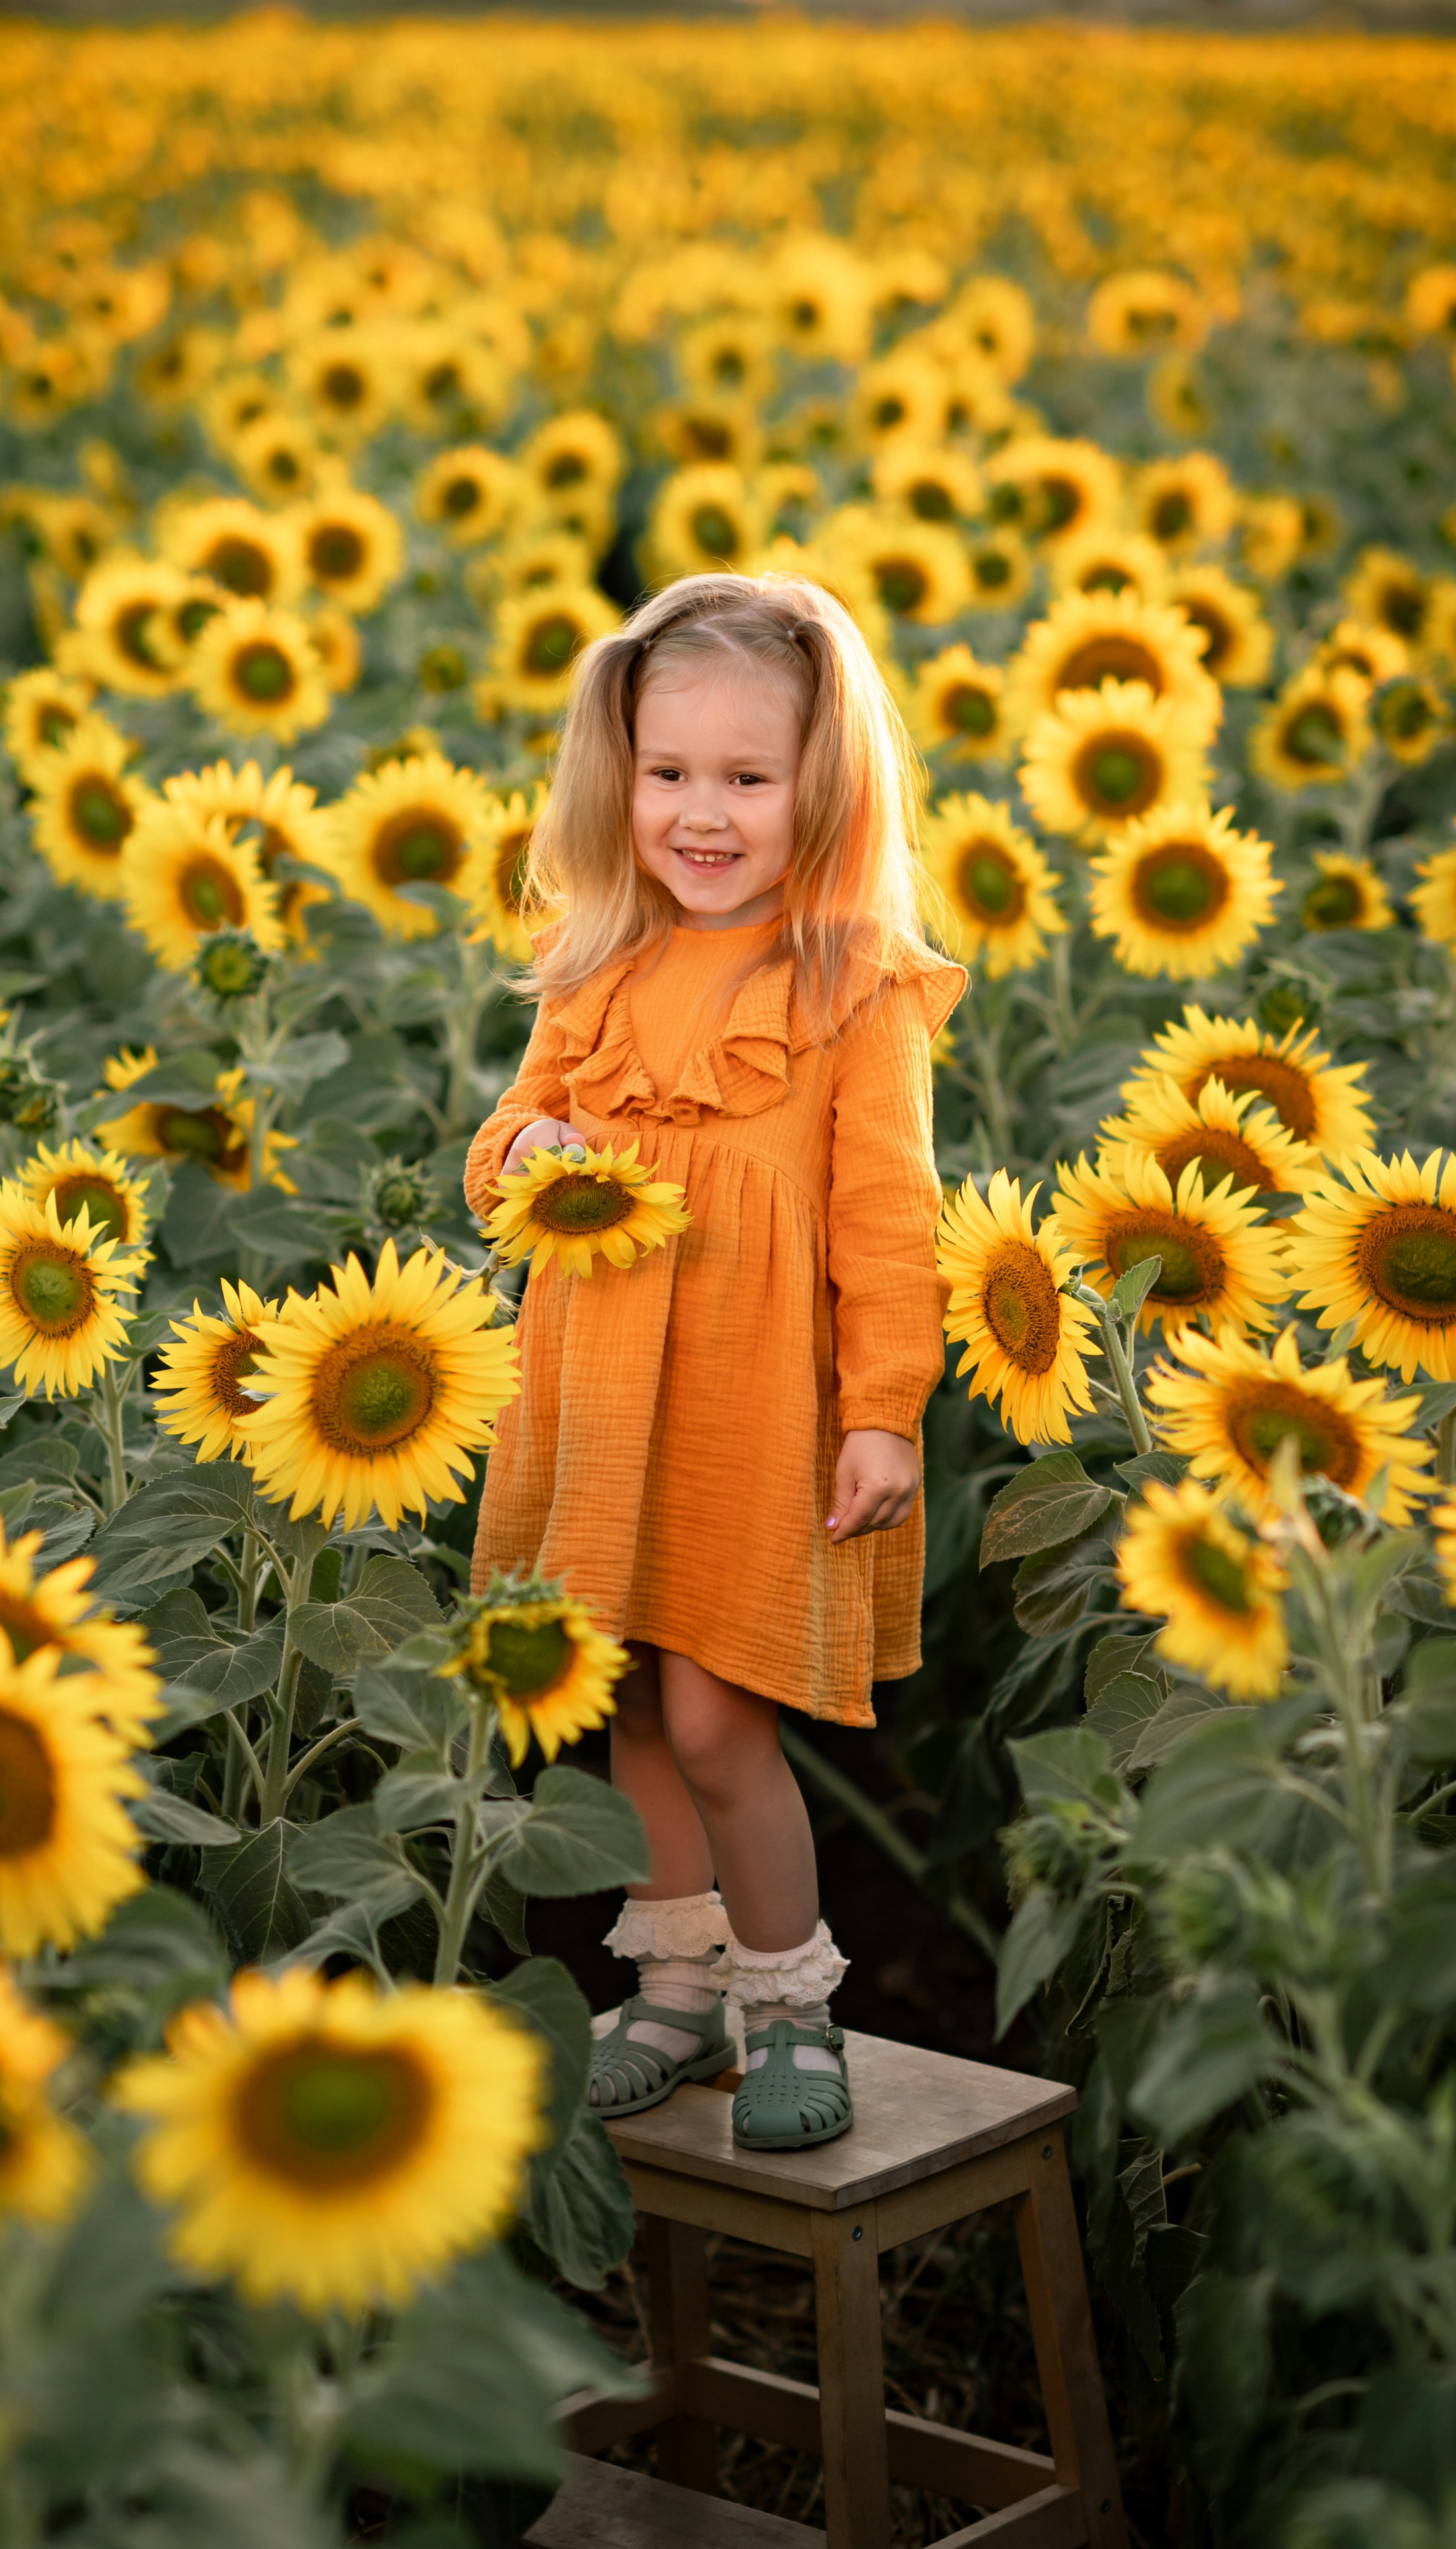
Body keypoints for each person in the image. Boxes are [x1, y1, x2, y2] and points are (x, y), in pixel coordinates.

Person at [464, 572, 964, 2150]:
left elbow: (891, 1224)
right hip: (605, 1400)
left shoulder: (848, 990)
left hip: (753, 1415)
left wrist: (881, 1414)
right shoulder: (594, 959)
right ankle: (672, 1987)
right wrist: (529, 1142)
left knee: (718, 1723)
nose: (699, 812)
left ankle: (788, 2006)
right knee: (622, 1708)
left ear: (822, 790)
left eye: (746, 780)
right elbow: (492, 1161)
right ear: (617, 773)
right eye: (667, 772)